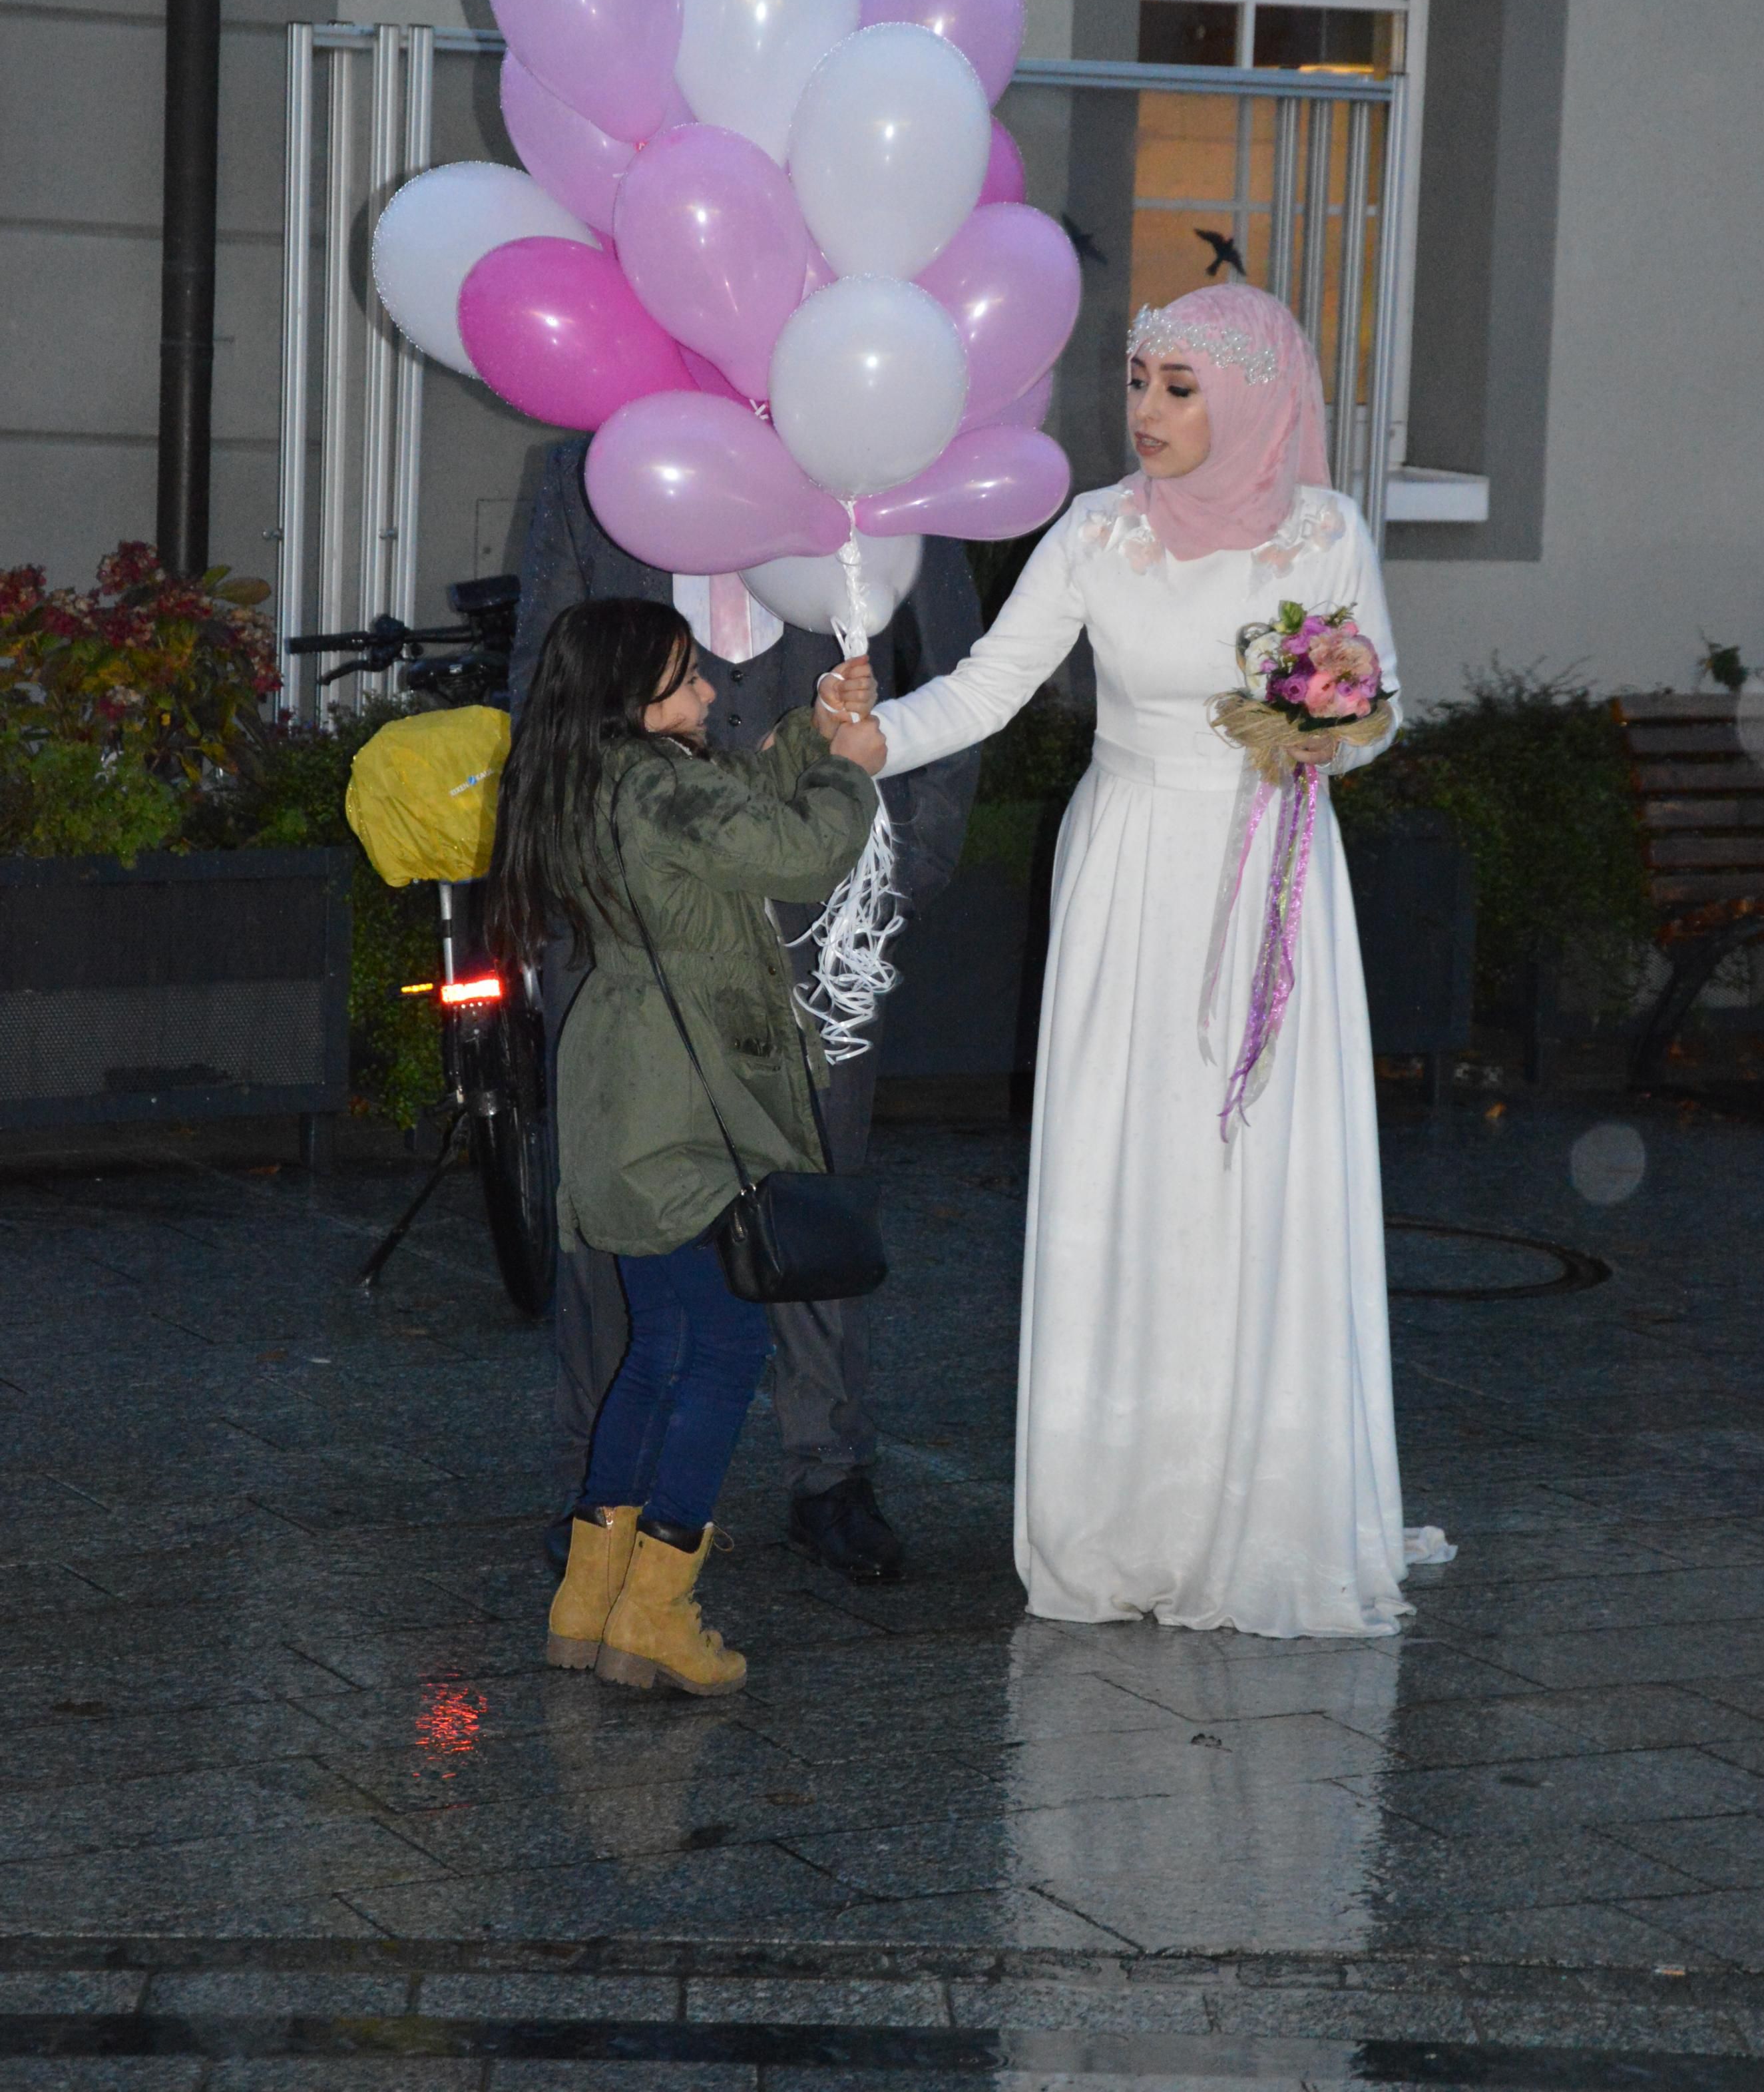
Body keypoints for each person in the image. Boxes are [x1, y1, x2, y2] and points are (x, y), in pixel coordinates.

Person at [845, 281, 1452, 1639]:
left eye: (1180, 388)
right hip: (1128, 869)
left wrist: (1325, 728)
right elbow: (988, 686)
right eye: (1138, 383)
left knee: (1255, 1170)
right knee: (1132, 1161)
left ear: (1251, 395)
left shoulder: (1323, 530)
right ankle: (1126, 1507)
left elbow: (1380, 715)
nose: (1150, 412)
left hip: (1272, 866)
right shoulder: (1094, 531)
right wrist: (875, 738)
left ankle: (1270, 1498)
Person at [510, 434, 981, 1584]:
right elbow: (542, 683)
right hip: (631, 935)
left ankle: (830, 1471)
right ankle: (602, 1490)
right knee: (624, 1214)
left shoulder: (875, 434)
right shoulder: (588, 464)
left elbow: (954, 667)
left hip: (824, 918)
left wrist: (908, 865)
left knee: (812, 1188)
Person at [489, 597, 879, 1695]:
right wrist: (852, 773)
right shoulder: (659, 789)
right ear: (633, 698)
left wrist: (809, 731)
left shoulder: (593, 777)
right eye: (687, 677)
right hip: (687, 1103)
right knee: (724, 1349)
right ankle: (657, 1613)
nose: (708, 689)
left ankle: (589, 1600)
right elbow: (802, 854)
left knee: (658, 1344)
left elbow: (734, 798)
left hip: (625, 1091)